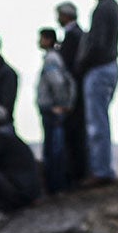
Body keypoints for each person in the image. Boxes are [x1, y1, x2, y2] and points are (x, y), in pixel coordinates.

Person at [76, 0, 118, 183]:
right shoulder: (111, 7)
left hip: (100, 69)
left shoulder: (103, 9)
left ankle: (101, 171)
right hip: (109, 67)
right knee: (99, 120)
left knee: (97, 123)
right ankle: (101, 168)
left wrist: (83, 63)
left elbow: (98, 43)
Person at [34, 28, 76, 194]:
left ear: (48, 39)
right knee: (54, 147)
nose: (39, 41)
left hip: (52, 110)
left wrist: (59, 104)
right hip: (53, 109)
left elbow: (57, 82)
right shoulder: (54, 58)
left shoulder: (51, 59)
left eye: (41, 38)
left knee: (54, 149)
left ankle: (56, 186)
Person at [54, 2, 89, 185]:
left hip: (74, 94)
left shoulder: (73, 36)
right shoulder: (78, 35)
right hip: (78, 92)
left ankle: (77, 175)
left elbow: (69, 68)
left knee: (74, 134)